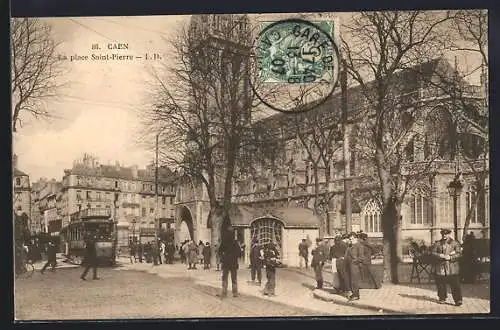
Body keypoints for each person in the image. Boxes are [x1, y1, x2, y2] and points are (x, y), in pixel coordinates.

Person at [431, 229, 463, 306]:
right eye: (443, 234)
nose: (444, 236)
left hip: (452, 267)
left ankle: (458, 300)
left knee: (455, 284)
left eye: (446, 234)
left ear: (449, 234)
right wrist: (439, 255)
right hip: (441, 267)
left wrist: (451, 257)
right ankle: (442, 298)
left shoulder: (455, 243)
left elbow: (459, 254)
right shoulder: (438, 243)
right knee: (441, 283)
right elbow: (433, 253)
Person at [217, 227, 241, 298]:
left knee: (225, 278)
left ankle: (224, 292)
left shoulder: (224, 242)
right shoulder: (235, 242)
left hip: (226, 262)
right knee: (234, 278)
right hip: (233, 262)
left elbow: (219, 251)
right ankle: (235, 292)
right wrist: (235, 257)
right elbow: (239, 253)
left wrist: (222, 258)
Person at [344, 232, 365, 301]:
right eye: (350, 239)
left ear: (356, 238)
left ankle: (356, 295)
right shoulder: (350, 246)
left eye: (352, 239)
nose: (351, 240)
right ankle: (353, 293)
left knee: (354, 280)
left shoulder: (359, 246)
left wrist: (354, 261)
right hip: (349, 265)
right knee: (350, 280)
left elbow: (362, 257)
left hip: (355, 266)